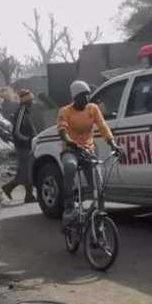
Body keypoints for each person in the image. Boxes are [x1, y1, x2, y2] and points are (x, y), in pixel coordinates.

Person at [58, 81, 121, 222]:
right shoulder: (65, 111)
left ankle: (100, 212)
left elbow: (103, 126)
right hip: (71, 150)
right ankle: (69, 204)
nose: (87, 99)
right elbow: (62, 130)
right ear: (75, 97)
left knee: (97, 183)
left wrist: (113, 144)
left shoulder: (92, 108)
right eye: (83, 96)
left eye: (88, 95)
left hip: (88, 150)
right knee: (69, 167)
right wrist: (69, 141)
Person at [2, 89, 37, 203]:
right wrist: (27, 139)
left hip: (27, 145)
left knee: (24, 171)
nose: (32, 102)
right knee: (27, 170)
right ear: (26, 101)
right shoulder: (21, 111)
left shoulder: (26, 112)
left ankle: (8, 188)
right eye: (31, 100)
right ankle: (28, 196)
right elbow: (16, 131)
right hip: (23, 146)